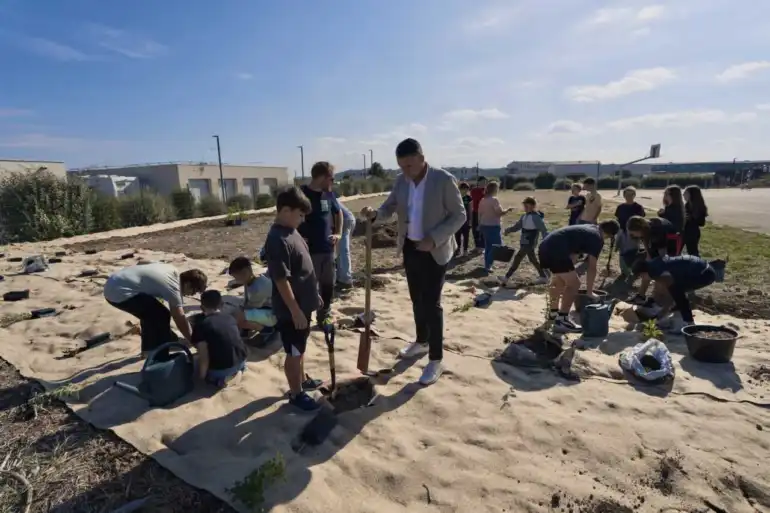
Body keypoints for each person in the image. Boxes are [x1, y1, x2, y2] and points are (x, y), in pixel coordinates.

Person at [361, 138, 466, 386]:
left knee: (432, 304)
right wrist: (375, 214)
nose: (406, 171)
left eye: (409, 165)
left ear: (421, 158)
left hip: (435, 250)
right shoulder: (401, 181)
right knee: (416, 299)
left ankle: (435, 360)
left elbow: (459, 215)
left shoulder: (443, 179)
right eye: (401, 166)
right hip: (410, 247)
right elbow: (388, 208)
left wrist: (435, 238)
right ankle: (421, 341)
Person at [265, 186, 324, 411]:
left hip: (303, 306)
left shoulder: (292, 231)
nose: (302, 220)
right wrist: (295, 310)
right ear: (286, 210)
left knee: (300, 347)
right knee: (293, 351)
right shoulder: (276, 239)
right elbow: (281, 280)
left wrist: (314, 295)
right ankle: (296, 393)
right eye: (300, 215)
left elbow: (304, 268)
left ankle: (302, 379)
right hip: (291, 312)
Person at [104, 263, 208, 356]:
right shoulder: (173, 288)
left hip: (115, 281)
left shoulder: (172, 270)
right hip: (119, 293)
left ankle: (155, 346)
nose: (192, 295)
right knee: (159, 315)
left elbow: (144, 264)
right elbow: (179, 319)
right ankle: (156, 352)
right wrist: (194, 342)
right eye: (194, 291)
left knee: (152, 313)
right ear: (188, 284)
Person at [538, 220, 620, 332]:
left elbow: (573, 256)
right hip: (557, 250)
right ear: (610, 235)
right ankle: (562, 319)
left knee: (560, 281)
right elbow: (592, 267)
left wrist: (570, 271)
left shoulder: (588, 229)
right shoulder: (597, 238)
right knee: (575, 284)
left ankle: (553, 314)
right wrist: (590, 292)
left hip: (544, 247)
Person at [299, 161, 343, 328]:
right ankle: (304, 318)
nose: (332, 182)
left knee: (328, 285)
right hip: (308, 252)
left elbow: (338, 213)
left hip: (327, 250)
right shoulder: (301, 194)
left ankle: (323, 316)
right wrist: (298, 236)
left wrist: (338, 233)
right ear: (322, 177)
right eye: (331, 178)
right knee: (308, 287)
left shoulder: (329, 194)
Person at [632, 255, 717, 327]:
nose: (642, 278)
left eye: (641, 276)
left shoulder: (655, 272)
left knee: (677, 293)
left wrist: (661, 314)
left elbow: (671, 291)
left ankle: (690, 323)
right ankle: (679, 309)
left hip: (705, 274)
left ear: (643, 273)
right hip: (704, 268)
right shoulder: (653, 264)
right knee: (677, 290)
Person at [191, 289, 248, 388]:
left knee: (195, 362)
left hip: (222, 370)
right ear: (221, 304)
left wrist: (201, 378)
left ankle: (220, 380)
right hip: (242, 360)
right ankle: (238, 371)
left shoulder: (201, 325)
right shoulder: (230, 318)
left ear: (202, 307)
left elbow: (204, 356)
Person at [626, 215, 678, 305]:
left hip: (670, 246)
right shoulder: (644, 229)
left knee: (659, 271)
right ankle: (641, 296)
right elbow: (645, 242)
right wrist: (648, 257)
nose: (632, 236)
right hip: (659, 246)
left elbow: (663, 256)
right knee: (647, 269)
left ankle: (656, 299)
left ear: (639, 229)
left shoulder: (657, 232)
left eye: (632, 233)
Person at [500, 196, 548, 286]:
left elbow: (543, 229)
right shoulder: (524, 216)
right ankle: (544, 276)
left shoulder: (536, 217)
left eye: (527, 205)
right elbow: (517, 226)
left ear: (533, 206)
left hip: (530, 241)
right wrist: (508, 230)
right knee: (533, 259)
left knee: (518, 257)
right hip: (524, 240)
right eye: (524, 205)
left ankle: (506, 277)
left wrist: (547, 240)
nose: (525, 207)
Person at [227, 256, 276, 332]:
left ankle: (266, 330)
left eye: (237, 277)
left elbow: (252, 307)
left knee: (238, 317)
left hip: (273, 315)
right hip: (263, 309)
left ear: (247, 271)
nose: (236, 280)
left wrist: (239, 313)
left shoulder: (259, 287)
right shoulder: (250, 281)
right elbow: (247, 302)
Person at [478, 181, 513, 274]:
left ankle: (487, 265)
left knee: (488, 246)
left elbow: (479, 214)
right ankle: (488, 265)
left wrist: (479, 225)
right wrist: (508, 210)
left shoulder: (483, 200)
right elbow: (499, 213)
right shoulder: (494, 200)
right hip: (493, 225)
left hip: (484, 225)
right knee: (496, 246)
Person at [614, 186, 646, 278]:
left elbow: (641, 221)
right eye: (627, 194)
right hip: (622, 231)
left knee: (632, 252)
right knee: (621, 252)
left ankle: (633, 271)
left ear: (634, 195)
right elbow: (617, 219)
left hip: (633, 233)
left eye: (631, 194)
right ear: (624, 195)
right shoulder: (620, 207)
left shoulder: (638, 207)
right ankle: (623, 272)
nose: (629, 196)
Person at [657, 185, 685, 255]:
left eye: (667, 194)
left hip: (674, 238)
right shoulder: (668, 207)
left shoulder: (677, 208)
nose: (665, 195)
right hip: (667, 237)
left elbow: (674, 225)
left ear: (673, 195)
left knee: (673, 257)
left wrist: (664, 215)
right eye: (664, 193)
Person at [683, 185, 708, 256]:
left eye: (685, 193)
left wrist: (691, 218)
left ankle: (698, 265)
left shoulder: (699, 207)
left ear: (692, 194)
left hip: (693, 233)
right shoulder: (687, 205)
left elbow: (702, 223)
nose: (683, 195)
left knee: (693, 252)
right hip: (685, 232)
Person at [336, 200, 356, 288]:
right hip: (345, 219)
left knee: (342, 250)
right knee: (339, 250)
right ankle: (340, 276)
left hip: (345, 220)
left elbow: (335, 212)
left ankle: (346, 280)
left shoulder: (324, 197)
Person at [454, 182, 472, 257]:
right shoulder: (456, 197)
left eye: (466, 189)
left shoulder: (469, 198)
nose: (465, 191)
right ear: (459, 189)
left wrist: (470, 220)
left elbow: (470, 209)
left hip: (466, 220)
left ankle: (465, 250)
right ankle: (457, 250)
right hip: (457, 220)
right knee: (457, 235)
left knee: (466, 236)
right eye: (463, 189)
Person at [470, 176, 488, 251]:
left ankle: (482, 246)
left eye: (485, 182)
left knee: (482, 229)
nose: (483, 184)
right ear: (478, 182)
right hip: (475, 212)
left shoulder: (487, 191)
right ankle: (477, 246)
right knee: (474, 229)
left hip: (484, 213)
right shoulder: (473, 191)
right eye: (482, 182)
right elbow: (472, 201)